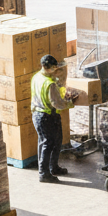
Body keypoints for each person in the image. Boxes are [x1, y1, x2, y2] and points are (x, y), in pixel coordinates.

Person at [30, 54, 77, 184]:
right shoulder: (49, 84)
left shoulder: (36, 77)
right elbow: (57, 104)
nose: (55, 70)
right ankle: (44, 174)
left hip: (38, 114)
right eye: (54, 68)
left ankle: (53, 167)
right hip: (47, 116)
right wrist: (70, 102)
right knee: (48, 144)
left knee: (54, 141)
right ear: (48, 67)